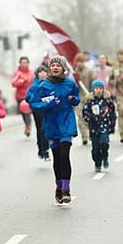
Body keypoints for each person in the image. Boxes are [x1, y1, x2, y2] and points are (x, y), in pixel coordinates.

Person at [29, 55, 80, 204]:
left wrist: (73, 100)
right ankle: (58, 187)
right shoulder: (43, 86)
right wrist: (49, 103)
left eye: (58, 65)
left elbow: (77, 98)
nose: (55, 67)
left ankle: (66, 190)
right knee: (57, 157)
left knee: (65, 154)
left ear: (63, 68)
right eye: (53, 65)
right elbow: (34, 104)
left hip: (66, 122)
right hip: (51, 124)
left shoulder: (70, 83)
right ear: (50, 68)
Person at [83, 80, 117, 172]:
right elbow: (85, 113)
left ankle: (105, 157)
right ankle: (97, 163)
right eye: (96, 88)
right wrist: (91, 118)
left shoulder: (107, 100)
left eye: (100, 88)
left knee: (104, 144)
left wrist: (112, 124)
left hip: (105, 126)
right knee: (95, 148)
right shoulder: (90, 101)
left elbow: (112, 111)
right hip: (94, 128)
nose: (98, 90)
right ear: (93, 90)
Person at [26, 65, 50, 161]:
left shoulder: (50, 84)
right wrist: (36, 101)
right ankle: (41, 148)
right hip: (37, 111)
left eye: (45, 71)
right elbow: (27, 97)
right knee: (40, 130)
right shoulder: (34, 86)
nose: (43, 74)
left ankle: (46, 150)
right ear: (37, 74)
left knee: (45, 129)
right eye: (41, 72)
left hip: (48, 110)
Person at [74, 52, 96, 145]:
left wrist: (93, 94)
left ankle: (91, 132)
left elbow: (94, 83)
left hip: (88, 96)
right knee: (80, 116)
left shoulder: (89, 71)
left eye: (81, 61)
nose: (79, 63)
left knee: (89, 117)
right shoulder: (73, 72)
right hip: (78, 97)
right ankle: (84, 136)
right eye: (78, 61)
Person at [11, 56, 35, 137]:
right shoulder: (18, 73)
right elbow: (13, 83)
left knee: (27, 112)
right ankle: (27, 125)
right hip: (20, 96)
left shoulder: (31, 73)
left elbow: (35, 83)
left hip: (29, 96)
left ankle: (28, 127)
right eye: (22, 63)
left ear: (28, 63)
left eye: (25, 62)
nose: (24, 64)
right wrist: (22, 81)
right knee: (23, 113)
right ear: (20, 64)